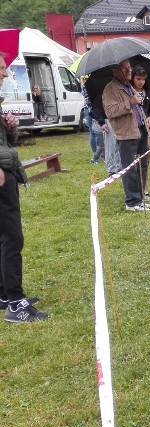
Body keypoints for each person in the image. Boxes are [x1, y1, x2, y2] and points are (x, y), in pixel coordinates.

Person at [0, 53, 49, 323]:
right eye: (2, 68)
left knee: (3, 237)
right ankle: (16, 305)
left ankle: (5, 294)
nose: (6, 74)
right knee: (12, 238)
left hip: (5, 168)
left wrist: (9, 128)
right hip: (1, 175)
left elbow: (5, 143)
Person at [102, 59, 150, 212]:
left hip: (140, 130)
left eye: (129, 67)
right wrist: (129, 102)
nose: (129, 70)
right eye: (125, 68)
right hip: (126, 133)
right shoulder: (111, 89)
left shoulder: (128, 85)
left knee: (143, 165)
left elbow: (136, 105)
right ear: (115, 70)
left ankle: (141, 197)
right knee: (130, 168)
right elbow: (110, 111)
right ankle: (132, 202)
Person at [131, 65, 150, 201]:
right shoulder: (129, 92)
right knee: (133, 163)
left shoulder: (149, 94)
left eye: (143, 79)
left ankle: (144, 191)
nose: (141, 82)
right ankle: (135, 192)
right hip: (132, 132)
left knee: (144, 162)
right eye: (138, 79)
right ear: (133, 78)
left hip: (145, 132)